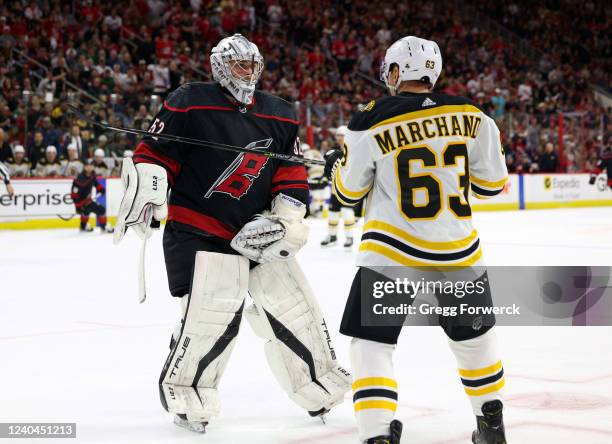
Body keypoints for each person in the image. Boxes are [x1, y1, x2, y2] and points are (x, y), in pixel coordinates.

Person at [113, 34, 351, 434]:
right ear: (221, 66)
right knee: (214, 311)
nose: (249, 73)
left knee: (294, 306)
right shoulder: (190, 100)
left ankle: (319, 387)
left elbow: (289, 172)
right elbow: (154, 154)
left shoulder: (280, 112)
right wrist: (149, 193)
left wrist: (285, 219)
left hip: (256, 231)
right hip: (197, 227)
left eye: (254, 65)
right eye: (241, 65)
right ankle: (189, 394)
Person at [324, 36, 509, 444]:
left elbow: (349, 193)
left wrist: (334, 168)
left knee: (372, 342)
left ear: (394, 72)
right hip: (460, 250)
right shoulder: (472, 114)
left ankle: (376, 435)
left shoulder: (369, 118)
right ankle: (491, 426)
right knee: (474, 339)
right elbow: (493, 184)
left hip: (392, 251)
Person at [320, 125, 356, 248]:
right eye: (338, 135)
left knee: (347, 211)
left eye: (342, 135)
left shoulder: (353, 148)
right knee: (332, 211)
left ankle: (350, 237)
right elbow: (328, 165)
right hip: (336, 186)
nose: (339, 138)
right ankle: (332, 236)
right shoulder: (335, 148)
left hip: (348, 187)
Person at [71, 160, 113, 233]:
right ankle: (104, 227)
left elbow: (95, 183)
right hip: (82, 202)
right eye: (87, 166)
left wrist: (101, 189)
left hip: (87, 201)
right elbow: (74, 194)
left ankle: (83, 226)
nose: (89, 168)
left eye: (91, 166)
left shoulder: (92, 175)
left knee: (86, 212)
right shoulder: (79, 178)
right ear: (84, 167)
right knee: (101, 210)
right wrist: (78, 206)